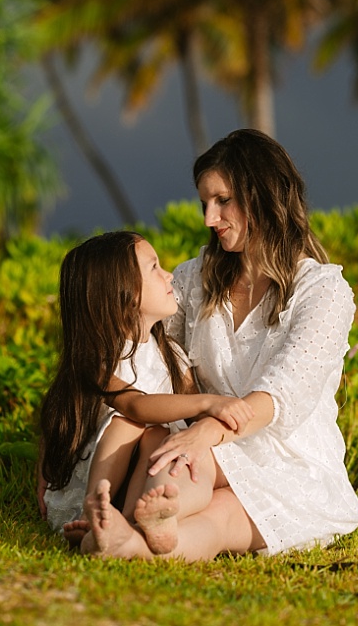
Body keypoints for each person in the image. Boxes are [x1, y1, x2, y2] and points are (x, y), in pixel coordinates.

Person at [80, 129, 358, 561]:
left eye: (223, 200)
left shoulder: (323, 291)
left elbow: (283, 394)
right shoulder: (194, 280)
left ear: (265, 196)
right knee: (176, 464)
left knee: (223, 515)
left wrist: (207, 430)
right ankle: (137, 534)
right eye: (204, 204)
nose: (210, 219)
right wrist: (64, 443)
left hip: (285, 454)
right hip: (203, 441)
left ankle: (136, 542)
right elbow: (143, 352)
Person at [37, 231, 255, 554]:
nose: (169, 275)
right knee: (130, 422)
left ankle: (127, 526)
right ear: (123, 295)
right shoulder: (100, 362)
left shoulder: (171, 355)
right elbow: (136, 406)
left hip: (141, 481)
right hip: (101, 482)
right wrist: (211, 402)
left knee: (161, 437)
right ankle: (95, 512)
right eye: (154, 268)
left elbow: (191, 418)